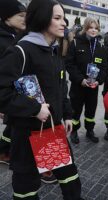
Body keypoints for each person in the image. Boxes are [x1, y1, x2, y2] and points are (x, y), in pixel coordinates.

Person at [0, 0, 82, 199]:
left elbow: (61, 88)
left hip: (51, 133)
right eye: (57, 18)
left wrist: (68, 114)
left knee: (70, 181)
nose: (64, 23)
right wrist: (34, 108)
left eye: (64, 17)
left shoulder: (53, 51)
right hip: (27, 134)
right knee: (26, 190)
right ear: (42, 19)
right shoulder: (21, 51)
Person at [65, 17, 107, 144]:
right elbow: (70, 64)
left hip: (93, 87)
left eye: (96, 28)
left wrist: (98, 81)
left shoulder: (100, 46)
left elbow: (104, 67)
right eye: (90, 28)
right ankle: (74, 131)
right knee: (75, 110)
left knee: (91, 110)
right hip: (79, 86)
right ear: (85, 28)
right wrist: (80, 80)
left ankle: (90, 131)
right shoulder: (76, 43)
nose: (93, 30)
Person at [0, 0, 26, 166]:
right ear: (7, 18)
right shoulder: (2, 39)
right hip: (6, 94)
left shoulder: (16, 35)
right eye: (21, 15)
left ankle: (3, 150)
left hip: (17, 91)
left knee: (13, 124)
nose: (25, 18)